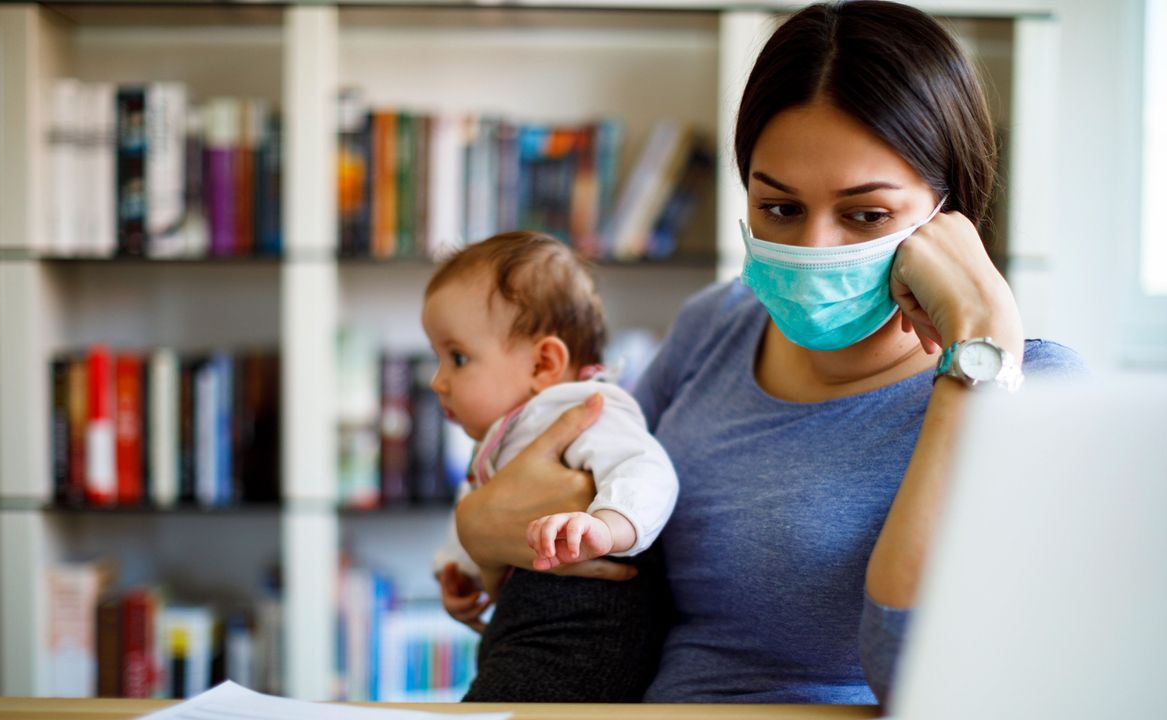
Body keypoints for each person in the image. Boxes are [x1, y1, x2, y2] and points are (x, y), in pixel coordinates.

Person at [444, 0, 1091, 706]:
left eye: (865, 215)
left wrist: (979, 345)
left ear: (951, 212)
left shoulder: (1034, 390)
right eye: (779, 208)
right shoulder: (716, 326)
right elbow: (552, 500)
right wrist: (476, 528)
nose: (813, 247)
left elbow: (921, 680)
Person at [423, 230, 679, 701]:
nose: (438, 381)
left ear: (544, 364)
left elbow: (647, 468)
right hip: (527, 629)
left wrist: (609, 527)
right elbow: (482, 506)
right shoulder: (508, 432)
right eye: (436, 358)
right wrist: (457, 567)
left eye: (457, 358)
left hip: (587, 632)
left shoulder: (584, 408)